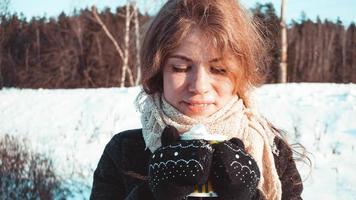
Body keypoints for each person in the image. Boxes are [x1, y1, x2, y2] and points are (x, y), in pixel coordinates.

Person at [90, 0, 305, 199]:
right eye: (180, 68)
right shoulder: (125, 152)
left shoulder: (272, 150)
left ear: (241, 73)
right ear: (158, 71)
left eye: (219, 69)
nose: (199, 86)